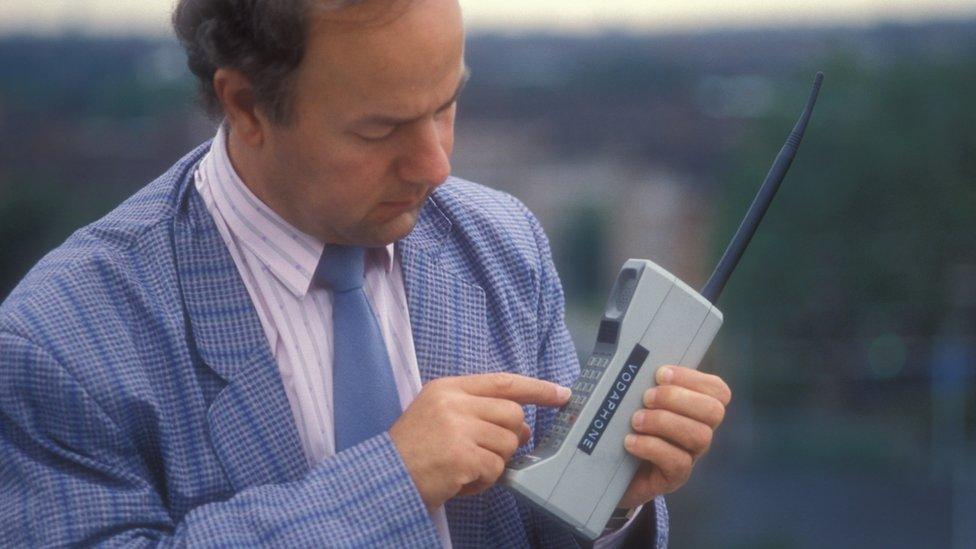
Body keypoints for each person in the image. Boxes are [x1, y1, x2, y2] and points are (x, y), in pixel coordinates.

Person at [0, 0, 732, 546]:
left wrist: (609, 502)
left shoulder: (502, 244)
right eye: (379, 130)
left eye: (447, 106)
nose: (437, 166)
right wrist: (394, 479)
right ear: (247, 105)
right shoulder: (61, 339)